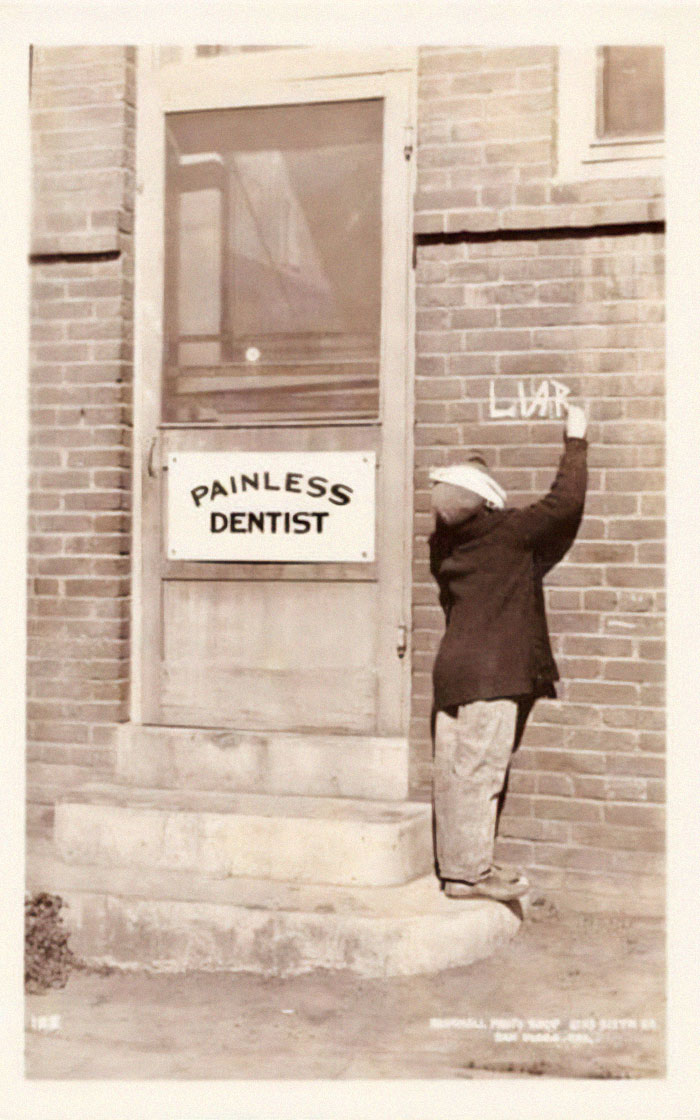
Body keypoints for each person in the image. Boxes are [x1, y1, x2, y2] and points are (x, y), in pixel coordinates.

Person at [428, 404, 588, 901]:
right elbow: (565, 503)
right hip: (494, 674)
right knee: (481, 773)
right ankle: (471, 875)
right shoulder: (511, 534)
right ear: (489, 503)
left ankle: (456, 869)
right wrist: (576, 442)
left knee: (453, 775)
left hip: (451, 670)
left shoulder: (443, 548)